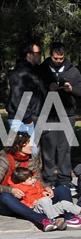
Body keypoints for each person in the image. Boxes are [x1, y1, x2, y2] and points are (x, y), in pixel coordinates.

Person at [0, 131, 70, 230]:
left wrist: (46, 188)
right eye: (28, 142)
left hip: (35, 198)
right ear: (18, 146)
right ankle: (42, 220)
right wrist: (11, 190)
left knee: (63, 190)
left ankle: (70, 218)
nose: (32, 145)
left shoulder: (31, 158)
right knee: (6, 197)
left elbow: (39, 180)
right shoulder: (4, 159)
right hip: (15, 202)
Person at [34, 43, 81, 188]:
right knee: (48, 148)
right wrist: (48, 88)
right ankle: (48, 179)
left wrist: (71, 89)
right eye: (56, 58)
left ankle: (64, 180)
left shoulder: (74, 71)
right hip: (47, 113)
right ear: (51, 55)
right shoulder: (41, 70)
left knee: (65, 149)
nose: (58, 61)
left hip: (67, 114)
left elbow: (80, 91)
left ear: (64, 56)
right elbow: (34, 90)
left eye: (61, 58)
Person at [11, 167, 81, 231]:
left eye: (32, 177)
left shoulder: (35, 184)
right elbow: (20, 201)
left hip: (47, 207)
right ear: (23, 182)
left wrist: (44, 192)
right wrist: (30, 205)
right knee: (45, 200)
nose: (33, 180)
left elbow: (40, 190)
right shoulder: (19, 189)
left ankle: (75, 214)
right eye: (30, 179)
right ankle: (52, 220)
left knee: (64, 203)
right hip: (37, 208)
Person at [5, 43, 45, 153]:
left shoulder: (33, 71)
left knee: (32, 153)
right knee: (26, 153)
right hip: (22, 120)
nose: (41, 55)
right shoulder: (20, 72)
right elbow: (17, 97)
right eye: (38, 53)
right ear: (29, 55)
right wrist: (28, 119)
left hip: (31, 117)